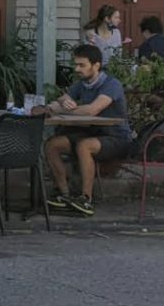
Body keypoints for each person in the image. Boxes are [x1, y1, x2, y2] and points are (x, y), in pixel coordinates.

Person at [42, 42, 133, 217]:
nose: (77, 69)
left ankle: (86, 199)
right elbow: (61, 100)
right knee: (52, 145)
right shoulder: (81, 84)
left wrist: (63, 108)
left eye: (81, 65)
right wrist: (58, 104)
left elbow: (92, 109)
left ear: (96, 65)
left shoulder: (111, 84)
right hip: (93, 133)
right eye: (75, 64)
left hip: (117, 137)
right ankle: (65, 195)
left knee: (84, 146)